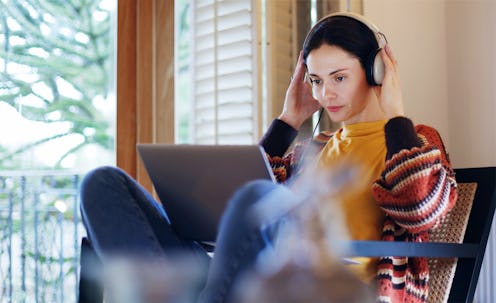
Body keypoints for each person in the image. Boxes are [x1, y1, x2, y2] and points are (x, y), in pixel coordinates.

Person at [80, 12, 457, 303]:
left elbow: (421, 207)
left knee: (257, 198)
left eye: (339, 77)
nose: (326, 94)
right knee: (102, 183)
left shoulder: (414, 141)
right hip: (246, 281)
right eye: (316, 80)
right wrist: (288, 122)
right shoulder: (317, 145)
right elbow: (239, 224)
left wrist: (396, 118)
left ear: (376, 71)